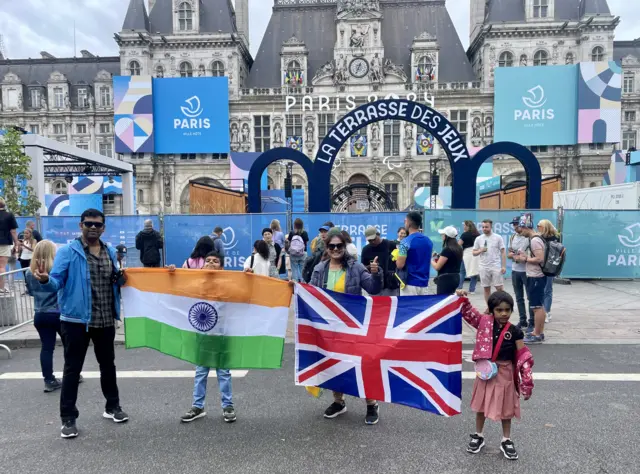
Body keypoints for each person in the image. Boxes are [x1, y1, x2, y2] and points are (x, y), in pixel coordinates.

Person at [31, 209, 128, 439]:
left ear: (103, 227)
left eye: (97, 224)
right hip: (76, 321)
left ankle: (112, 407)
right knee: (72, 369)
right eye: (88, 223)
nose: (92, 227)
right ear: (80, 225)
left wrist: (121, 278)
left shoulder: (110, 251)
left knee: (108, 366)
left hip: (104, 319)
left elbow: (117, 280)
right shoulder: (68, 251)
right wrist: (46, 280)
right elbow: (57, 282)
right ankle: (68, 418)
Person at [310, 228, 382, 425]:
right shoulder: (319, 269)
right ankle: (339, 402)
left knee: (361, 364)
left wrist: (376, 274)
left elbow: (374, 289)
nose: (335, 249)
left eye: (339, 246)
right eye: (332, 246)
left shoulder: (355, 268)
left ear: (345, 246)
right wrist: (295, 289)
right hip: (330, 328)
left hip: (353, 326)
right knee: (335, 364)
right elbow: (311, 294)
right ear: (327, 247)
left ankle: (371, 403)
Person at [456, 290, 534, 461]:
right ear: (491, 310)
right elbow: (468, 313)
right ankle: (478, 435)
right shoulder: (483, 322)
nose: (504, 313)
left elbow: (523, 355)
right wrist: (462, 298)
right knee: (481, 405)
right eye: (499, 310)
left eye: (507, 310)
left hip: (505, 372)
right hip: (485, 372)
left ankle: (506, 439)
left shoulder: (515, 331)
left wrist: (526, 380)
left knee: (506, 408)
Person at [168, 252, 237, 424]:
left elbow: (246, 292)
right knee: (200, 373)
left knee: (224, 373)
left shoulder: (228, 284)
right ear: (202, 265)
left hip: (221, 336)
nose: (211, 263)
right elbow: (176, 290)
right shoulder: (196, 284)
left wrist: (249, 275)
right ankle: (197, 406)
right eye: (208, 261)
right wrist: (171, 275)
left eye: (215, 261)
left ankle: (228, 406)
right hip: (202, 336)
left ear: (221, 267)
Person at [25, 240, 84, 393]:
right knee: (69, 346)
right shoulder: (56, 270)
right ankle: (73, 375)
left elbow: (31, 292)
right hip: (58, 313)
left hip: (40, 313)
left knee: (46, 348)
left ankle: (49, 380)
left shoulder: (28, 272)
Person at [514, 214, 547, 345]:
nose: (519, 231)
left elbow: (540, 258)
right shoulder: (536, 239)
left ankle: (537, 334)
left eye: (521, 228)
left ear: (526, 227)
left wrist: (525, 259)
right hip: (536, 276)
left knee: (537, 307)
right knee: (538, 306)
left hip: (536, 277)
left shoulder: (534, 240)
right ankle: (538, 331)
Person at [396, 211, 433, 296]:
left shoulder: (405, 242)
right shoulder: (428, 241)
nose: (404, 223)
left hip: (409, 284)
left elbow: (400, 265)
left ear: (409, 223)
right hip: (424, 283)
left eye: (405, 221)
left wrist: (396, 258)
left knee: (409, 309)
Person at [508, 217, 534, 330]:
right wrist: (515, 256)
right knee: (519, 297)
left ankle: (532, 321)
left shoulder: (528, 238)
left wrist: (520, 257)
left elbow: (530, 254)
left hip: (527, 271)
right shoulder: (513, 237)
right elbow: (509, 253)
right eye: (513, 224)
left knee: (530, 297)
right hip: (515, 270)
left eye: (517, 224)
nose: (515, 227)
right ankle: (522, 320)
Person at [473, 219, 506, 304]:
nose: (484, 229)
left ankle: (502, 305)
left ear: (491, 227)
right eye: (483, 227)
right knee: (486, 288)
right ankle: (489, 307)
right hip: (483, 266)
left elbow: (503, 252)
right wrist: (480, 250)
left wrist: (503, 266)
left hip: (495, 266)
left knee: (499, 288)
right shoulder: (478, 238)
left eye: (486, 227)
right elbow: (474, 253)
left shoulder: (498, 237)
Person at [361, 226, 398, 296]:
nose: (372, 242)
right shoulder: (366, 250)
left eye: (374, 239)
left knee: (391, 306)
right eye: (370, 240)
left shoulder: (390, 245)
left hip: (390, 286)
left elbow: (398, 263)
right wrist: (372, 267)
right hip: (375, 286)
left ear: (378, 234)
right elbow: (363, 268)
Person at [537, 219, 560, 323]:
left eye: (540, 226)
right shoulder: (538, 237)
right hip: (539, 266)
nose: (538, 228)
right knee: (540, 289)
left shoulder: (555, 238)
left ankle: (547, 311)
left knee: (548, 289)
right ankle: (540, 310)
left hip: (549, 266)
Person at [431, 226, 462, 295]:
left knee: (442, 300)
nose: (442, 236)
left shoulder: (447, 249)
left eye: (443, 234)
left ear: (446, 236)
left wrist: (430, 260)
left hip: (445, 279)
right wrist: (439, 256)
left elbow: (437, 267)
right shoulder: (458, 248)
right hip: (456, 277)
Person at [0, 197, 19, 293]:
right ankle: (1, 287)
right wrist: (16, 243)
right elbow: (13, 231)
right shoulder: (9, 215)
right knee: (1, 266)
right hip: (4, 243)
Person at [458, 220, 480, 293]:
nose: (463, 227)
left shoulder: (464, 235)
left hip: (466, 254)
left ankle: (459, 287)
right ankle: (472, 289)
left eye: (464, 225)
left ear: (468, 226)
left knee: (462, 272)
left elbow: (459, 244)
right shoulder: (478, 234)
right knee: (474, 272)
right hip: (476, 254)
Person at [287, 218, 309, 283]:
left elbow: (289, 242)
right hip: (303, 253)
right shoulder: (304, 233)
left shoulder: (292, 232)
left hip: (293, 254)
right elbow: (306, 242)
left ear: (294, 225)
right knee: (303, 269)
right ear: (302, 225)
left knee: (294, 269)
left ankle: (295, 284)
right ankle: (303, 284)